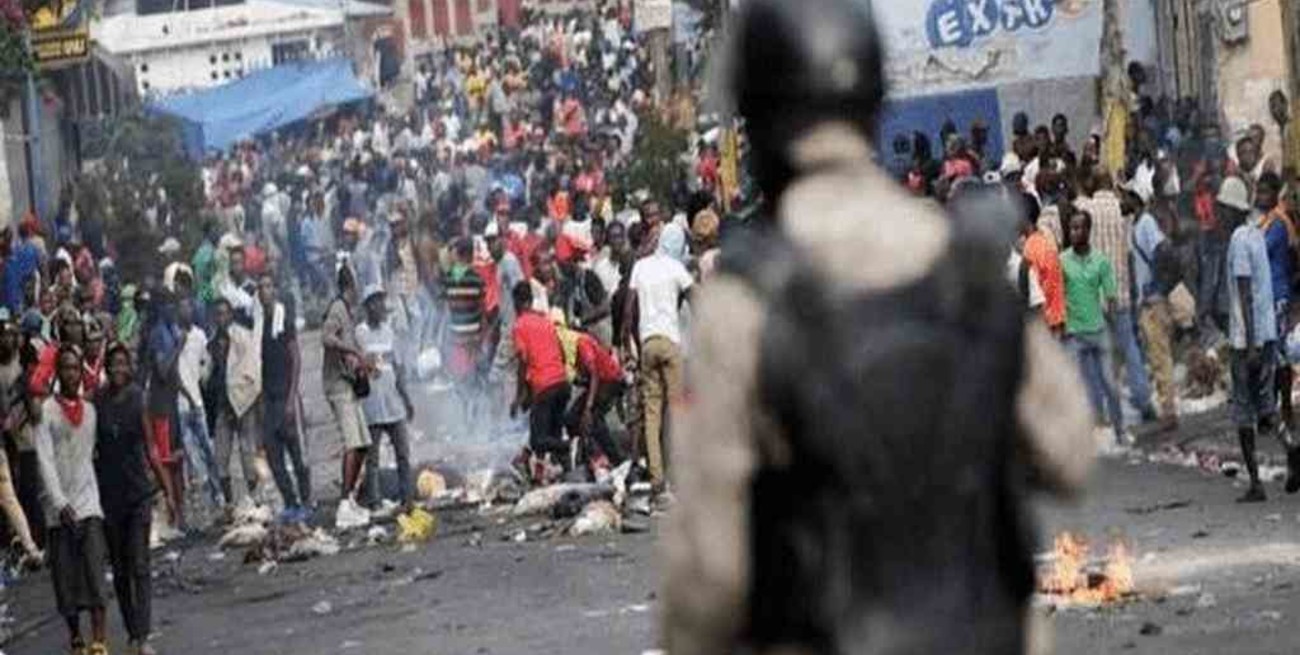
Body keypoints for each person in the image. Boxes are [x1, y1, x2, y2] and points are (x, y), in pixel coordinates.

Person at [662, 1, 1093, 650]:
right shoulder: (959, 263)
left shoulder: (744, 300)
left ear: (758, 114)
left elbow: (712, 575)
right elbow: (1070, 451)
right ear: (872, 97)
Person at [1222, 175, 1300, 502]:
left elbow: (1244, 291)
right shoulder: (1257, 232)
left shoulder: (1240, 239)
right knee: (1267, 406)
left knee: (1244, 411)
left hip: (1247, 340)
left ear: (1231, 209)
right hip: (1266, 335)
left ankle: (1255, 483)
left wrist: (1250, 343)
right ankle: (1293, 451)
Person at [96, 343, 174, 655]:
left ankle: (141, 636)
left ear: (129, 368)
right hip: (109, 497)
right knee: (120, 568)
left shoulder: (137, 399)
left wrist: (167, 490)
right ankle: (131, 630)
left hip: (138, 493)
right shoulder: (98, 400)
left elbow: (151, 448)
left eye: (122, 364)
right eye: (112, 364)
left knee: (139, 564)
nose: (117, 369)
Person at [34, 345, 109, 655]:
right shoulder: (46, 412)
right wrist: (59, 501)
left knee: (94, 572)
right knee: (65, 579)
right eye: (65, 368)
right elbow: (44, 459)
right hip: (59, 508)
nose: (70, 373)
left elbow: (93, 455)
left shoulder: (90, 412)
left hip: (88, 502)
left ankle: (99, 640)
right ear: (57, 372)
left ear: (81, 373)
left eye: (75, 368)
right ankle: (76, 637)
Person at [1076, 169, 1155, 420]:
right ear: (1111, 185)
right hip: (1119, 291)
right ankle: (1143, 399)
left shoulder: (1085, 208)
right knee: (1129, 346)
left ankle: (1098, 409)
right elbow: (1129, 253)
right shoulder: (1122, 211)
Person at [622, 219, 693, 497]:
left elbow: (628, 311)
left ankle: (657, 478)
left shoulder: (640, 266)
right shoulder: (677, 267)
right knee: (677, 410)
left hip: (648, 344)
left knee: (652, 415)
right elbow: (695, 297)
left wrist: (630, 346)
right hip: (672, 344)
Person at [1061, 208, 1126, 442]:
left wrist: (1115, 331)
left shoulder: (1100, 261)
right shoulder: (1063, 261)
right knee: (1074, 387)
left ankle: (1120, 431)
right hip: (1073, 334)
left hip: (1098, 331)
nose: (1075, 232)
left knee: (1110, 384)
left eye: (1079, 228)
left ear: (1088, 230)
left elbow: (1110, 298)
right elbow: (1057, 295)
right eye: (1072, 228)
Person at [355, 285, 415, 512]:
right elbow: (361, 364)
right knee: (372, 459)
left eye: (381, 301)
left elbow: (398, 369)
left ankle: (407, 499)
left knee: (403, 455)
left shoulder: (390, 332)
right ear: (367, 306)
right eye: (375, 302)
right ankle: (375, 502)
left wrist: (407, 399)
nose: (381, 306)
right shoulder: (360, 333)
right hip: (371, 406)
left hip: (393, 403)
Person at [257, 273, 311, 522]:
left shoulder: (283, 320)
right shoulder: (260, 323)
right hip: (269, 399)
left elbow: (296, 358)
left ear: (274, 290)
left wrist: (291, 399)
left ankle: (306, 500)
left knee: (297, 453)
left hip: (286, 395)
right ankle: (290, 501)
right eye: (260, 288)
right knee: (273, 454)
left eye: (268, 286)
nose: (264, 291)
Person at [322, 265, 372, 515]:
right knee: (352, 444)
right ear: (351, 285)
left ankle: (350, 497)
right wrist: (351, 351)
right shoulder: (337, 309)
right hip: (338, 385)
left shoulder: (348, 311)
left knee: (363, 444)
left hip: (349, 384)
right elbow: (326, 337)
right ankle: (343, 506)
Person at [205, 298, 262, 509]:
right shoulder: (212, 343)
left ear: (230, 315)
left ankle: (254, 498)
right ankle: (229, 502)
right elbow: (208, 375)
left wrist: (249, 398)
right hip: (222, 405)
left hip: (243, 402)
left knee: (248, 453)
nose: (221, 318)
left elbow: (253, 371)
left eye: (224, 313)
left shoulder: (243, 337)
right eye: (218, 314)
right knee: (221, 457)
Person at [510, 281, 570, 483]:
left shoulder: (519, 325)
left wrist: (519, 396)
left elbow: (523, 361)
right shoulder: (545, 321)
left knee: (538, 440)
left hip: (545, 385)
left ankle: (570, 446)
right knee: (550, 435)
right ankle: (560, 475)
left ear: (517, 302)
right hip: (562, 383)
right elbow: (561, 353)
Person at [1130, 190, 1179, 431]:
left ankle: (1168, 410)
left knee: (1160, 355)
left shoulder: (1146, 222)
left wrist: (1157, 287)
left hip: (1153, 302)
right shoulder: (1138, 223)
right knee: (1156, 355)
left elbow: (1164, 251)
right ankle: (1165, 406)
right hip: (1147, 300)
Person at [1255, 173, 1297, 428]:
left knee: (1278, 354)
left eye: (1264, 192)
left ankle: (1284, 408)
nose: (1259, 197)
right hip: (1269, 294)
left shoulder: (1278, 224)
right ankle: (1273, 409)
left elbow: (1259, 249)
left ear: (1275, 194)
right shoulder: (1268, 221)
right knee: (1270, 353)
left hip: (1278, 295)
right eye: (1258, 192)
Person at [176, 297, 224, 510]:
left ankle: (217, 494)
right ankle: (198, 503)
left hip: (197, 401)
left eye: (188, 307)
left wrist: (204, 378)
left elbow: (206, 361)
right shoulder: (173, 336)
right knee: (190, 456)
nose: (186, 312)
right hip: (179, 405)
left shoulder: (199, 335)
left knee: (207, 450)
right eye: (181, 308)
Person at [145, 292, 187, 528]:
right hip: (161, 407)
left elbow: (173, 374)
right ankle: (173, 519)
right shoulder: (158, 334)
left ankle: (181, 518)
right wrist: (178, 348)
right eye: (169, 305)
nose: (173, 309)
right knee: (168, 462)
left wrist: (188, 397)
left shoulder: (170, 330)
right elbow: (162, 369)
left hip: (171, 404)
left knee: (178, 460)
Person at [564, 325, 626, 472]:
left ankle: (615, 459)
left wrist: (588, 407)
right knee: (572, 419)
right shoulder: (574, 348)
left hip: (610, 381)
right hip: (603, 383)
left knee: (593, 418)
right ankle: (588, 455)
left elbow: (594, 374)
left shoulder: (582, 342)